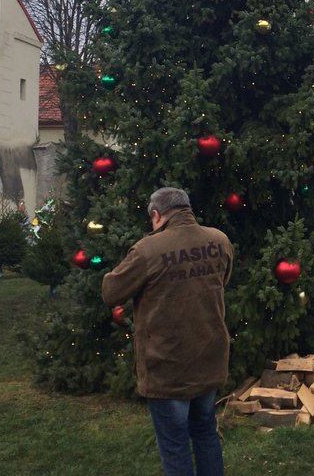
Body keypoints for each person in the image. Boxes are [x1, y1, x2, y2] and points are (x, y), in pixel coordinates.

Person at [102, 187, 233, 476]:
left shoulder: (148, 250)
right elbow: (223, 279)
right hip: (210, 358)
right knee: (206, 434)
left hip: (168, 366)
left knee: (174, 447)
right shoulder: (219, 241)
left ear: (157, 215)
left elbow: (111, 292)